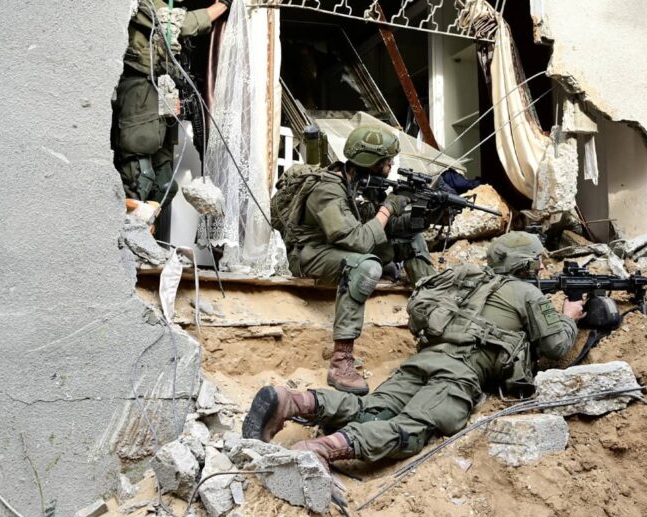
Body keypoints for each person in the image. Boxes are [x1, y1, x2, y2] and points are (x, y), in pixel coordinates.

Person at [242, 231, 586, 466]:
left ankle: (293, 401)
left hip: (423, 359)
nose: (541, 268)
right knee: (410, 429)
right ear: (524, 265)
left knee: (371, 407)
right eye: (537, 262)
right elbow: (556, 347)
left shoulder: (465, 278)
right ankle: (320, 449)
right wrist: (569, 316)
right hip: (459, 374)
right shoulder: (528, 294)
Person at [276, 125, 435, 395]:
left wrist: (425, 215)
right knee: (366, 267)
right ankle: (341, 362)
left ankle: (435, 320)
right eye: (386, 161)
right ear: (370, 162)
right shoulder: (327, 189)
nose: (391, 165)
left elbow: (388, 227)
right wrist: (389, 207)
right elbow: (359, 241)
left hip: (342, 247)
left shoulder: (361, 183)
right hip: (311, 253)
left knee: (411, 238)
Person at [112, 0, 230, 206]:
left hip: (161, 89)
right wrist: (223, 5)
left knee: (165, 186)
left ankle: (143, 230)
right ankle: (126, 229)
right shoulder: (148, 4)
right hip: (142, 88)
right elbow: (176, 24)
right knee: (139, 177)